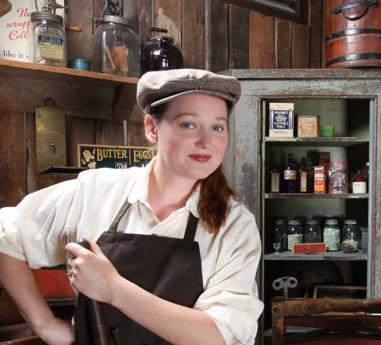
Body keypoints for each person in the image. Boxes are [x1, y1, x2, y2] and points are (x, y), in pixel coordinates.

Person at [0, 69, 263, 345]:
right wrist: (45, 324)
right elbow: (7, 233)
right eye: (188, 124)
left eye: (218, 127)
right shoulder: (96, 192)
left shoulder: (234, 224)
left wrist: (115, 289)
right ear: (151, 128)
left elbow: (218, 335)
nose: (206, 142)